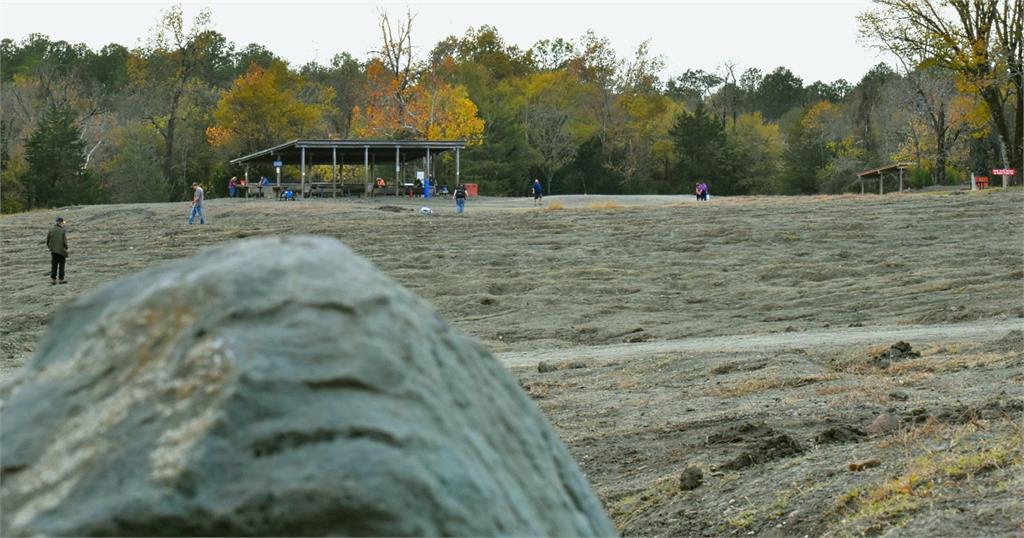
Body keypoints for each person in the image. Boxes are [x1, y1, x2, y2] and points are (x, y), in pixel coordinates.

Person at [46, 216, 68, 285]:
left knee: (54, 265)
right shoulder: (63, 230)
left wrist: (50, 248)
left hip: (53, 251)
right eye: (63, 222)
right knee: (61, 266)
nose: (63, 224)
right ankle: (61, 280)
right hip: (61, 251)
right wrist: (66, 248)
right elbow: (65, 242)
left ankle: (53, 280)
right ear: (60, 222)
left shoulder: (51, 229)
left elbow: (48, 240)